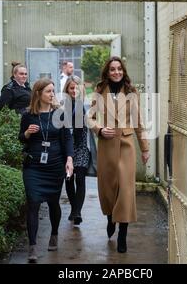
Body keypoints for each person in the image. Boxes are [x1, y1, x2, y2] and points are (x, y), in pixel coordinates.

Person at [87, 56, 150, 253]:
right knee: (108, 188)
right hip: (106, 146)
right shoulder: (99, 91)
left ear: (123, 71)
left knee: (125, 189)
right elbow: (89, 117)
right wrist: (98, 129)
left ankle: (123, 233)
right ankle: (110, 218)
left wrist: (145, 148)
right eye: (113, 69)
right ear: (107, 72)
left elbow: (138, 121)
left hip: (126, 146)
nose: (117, 72)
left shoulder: (131, 92)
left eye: (120, 69)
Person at [19, 78, 74, 263]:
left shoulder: (60, 114)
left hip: (55, 166)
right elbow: (22, 138)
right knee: (33, 202)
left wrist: (69, 159)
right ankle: (33, 246)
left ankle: (54, 234)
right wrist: (27, 133)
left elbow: (67, 139)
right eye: (48, 91)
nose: (52, 94)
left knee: (53, 202)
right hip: (34, 166)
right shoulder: (28, 115)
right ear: (38, 94)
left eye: (53, 91)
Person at [62, 76, 94, 226]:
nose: (74, 90)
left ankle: (77, 212)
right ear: (67, 90)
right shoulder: (63, 106)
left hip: (82, 147)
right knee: (69, 179)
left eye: (76, 87)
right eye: (71, 88)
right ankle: (74, 209)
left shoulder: (86, 104)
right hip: (67, 148)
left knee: (80, 178)